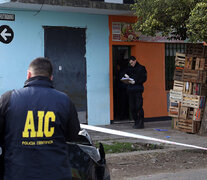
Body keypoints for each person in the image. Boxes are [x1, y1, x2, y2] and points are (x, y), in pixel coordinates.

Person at [0, 57, 81, 180]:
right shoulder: (65, 100)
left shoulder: (8, 99)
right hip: (56, 173)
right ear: (51, 77)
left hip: (17, 173)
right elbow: (73, 135)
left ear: (28, 74)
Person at [124, 56, 147, 129]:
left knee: (139, 106)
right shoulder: (129, 68)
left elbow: (144, 78)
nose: (131, 64)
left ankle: (141, 122)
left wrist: (136, 82)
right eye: (130, 63)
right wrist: (126, 77)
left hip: (138, 89)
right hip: (131, 90)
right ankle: (136, 122)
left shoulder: (141, 68)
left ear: (135, 61)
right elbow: (124, 75)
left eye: (132, 62)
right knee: (132, 107)